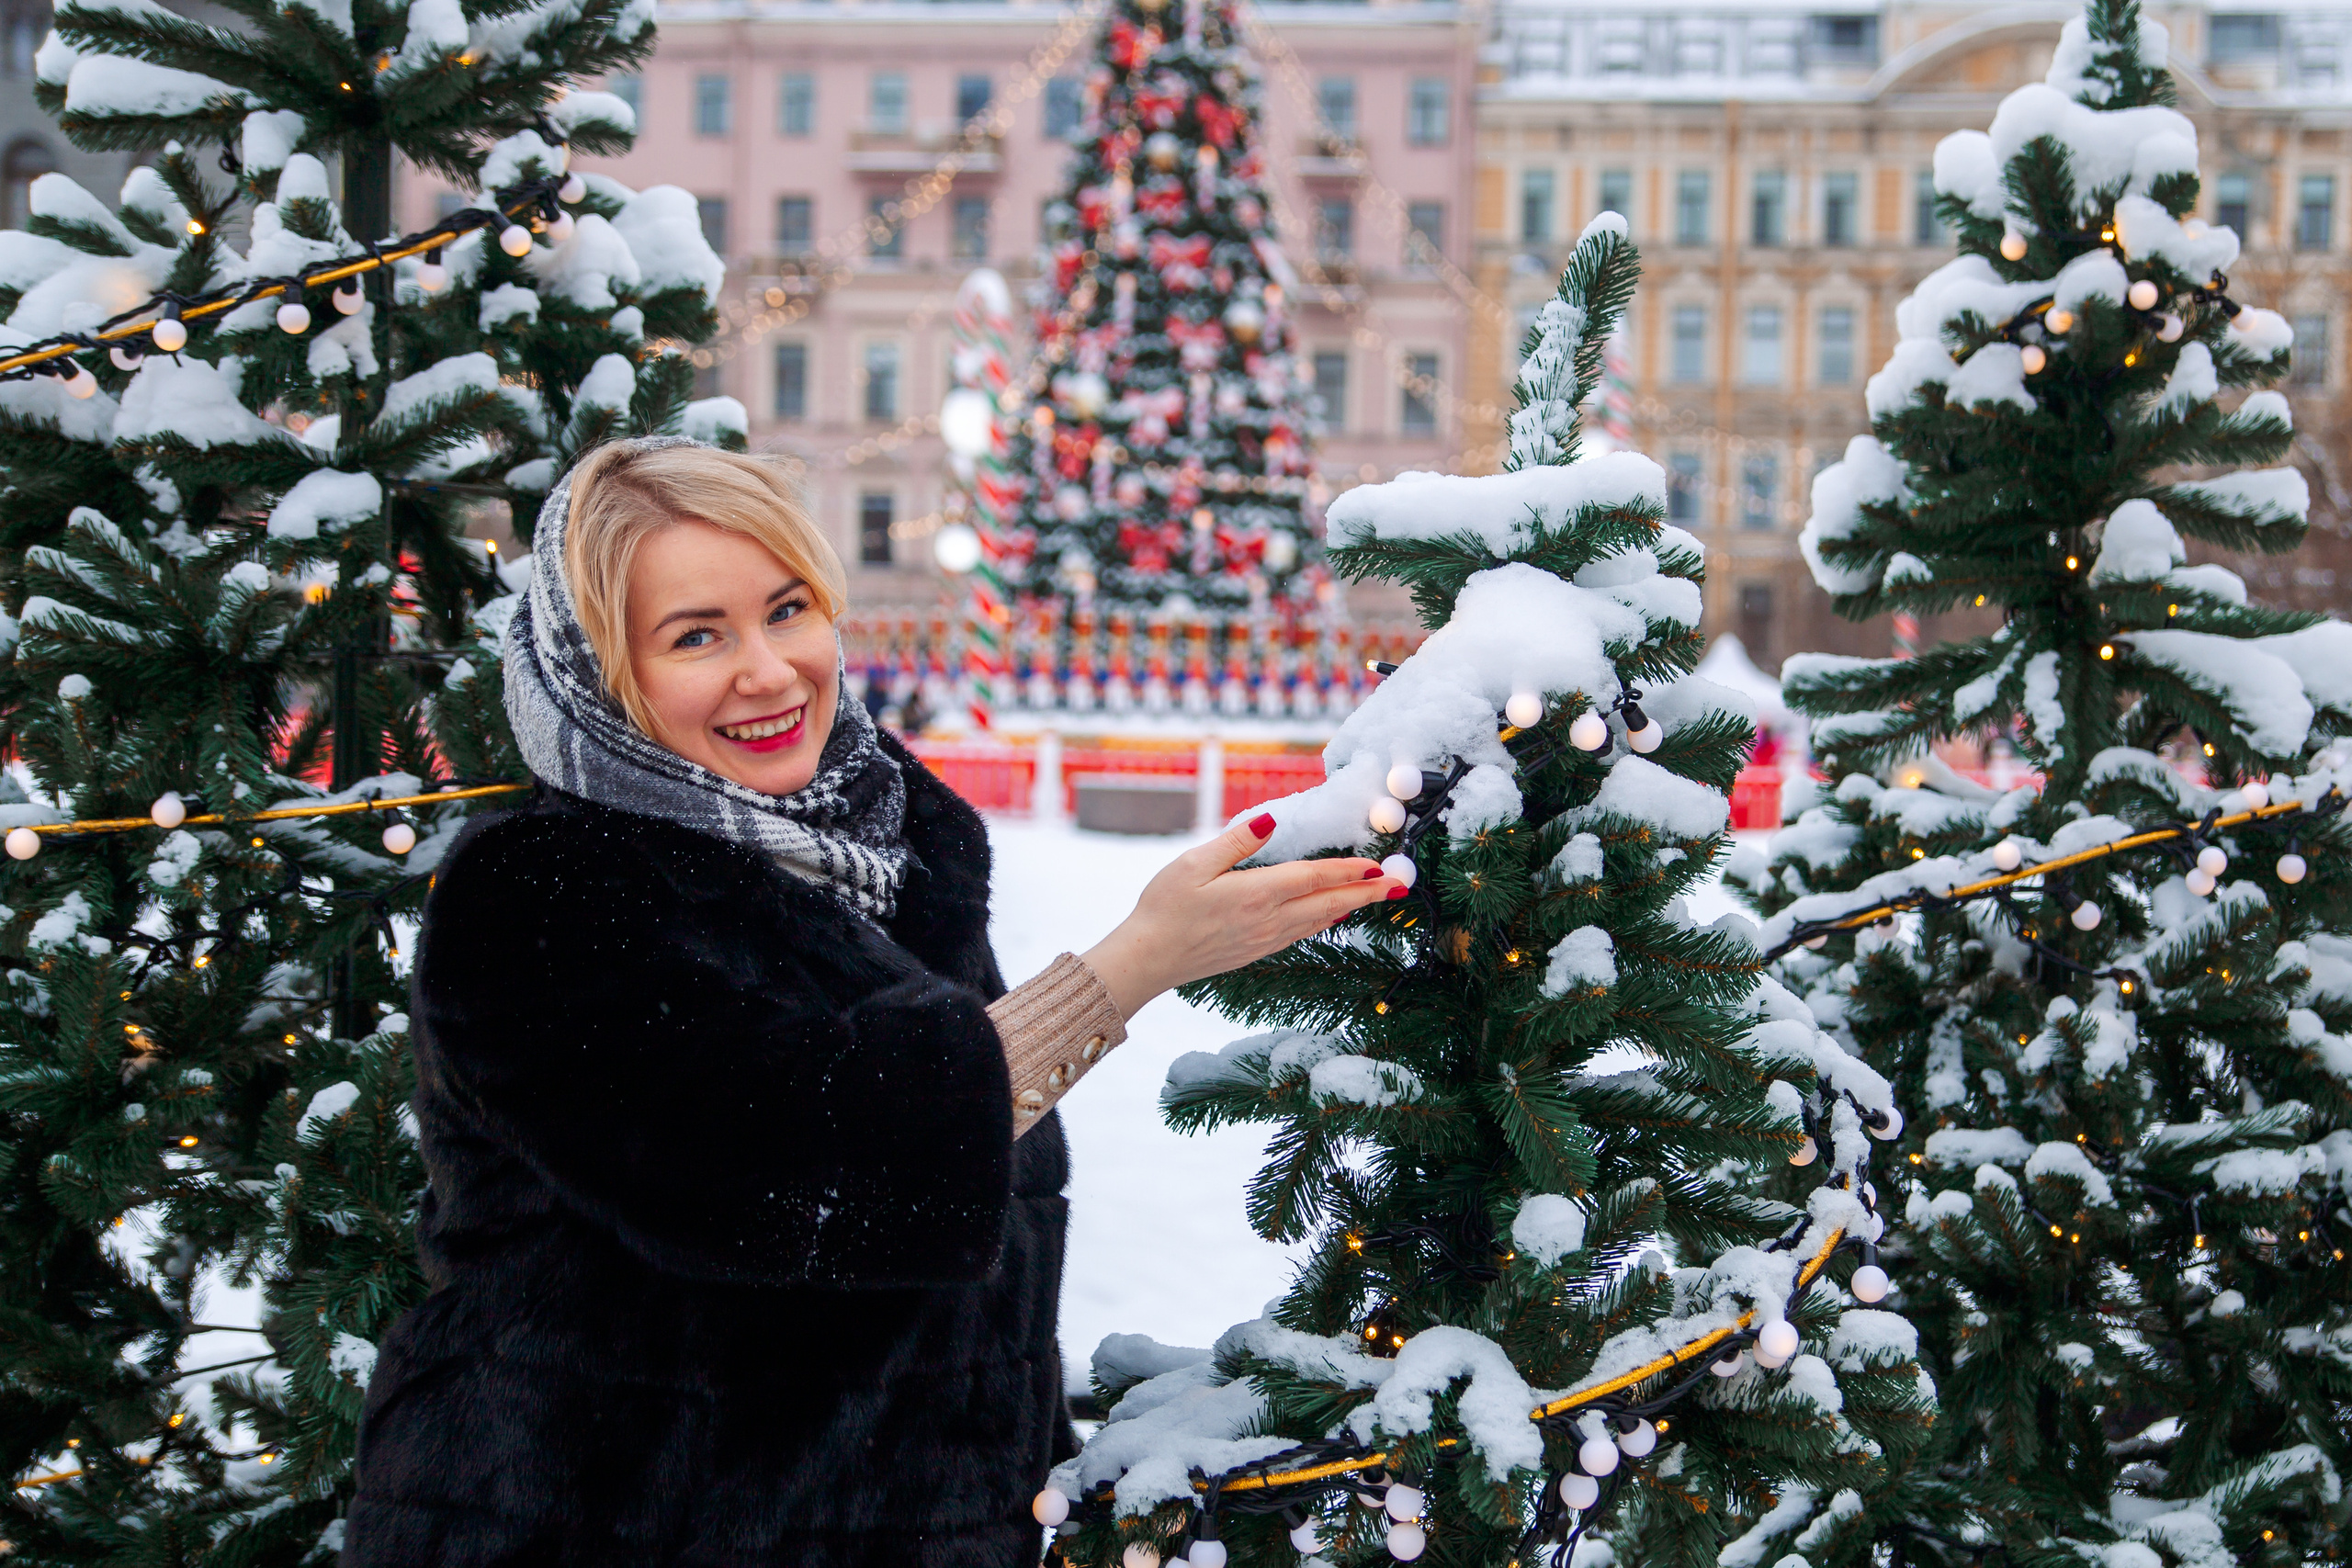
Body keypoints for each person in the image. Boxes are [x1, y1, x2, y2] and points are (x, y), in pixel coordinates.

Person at [340, 435, 1402, 1568]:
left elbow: (952, 1240)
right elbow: (798, 1172)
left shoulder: (888, 857)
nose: (769, 671)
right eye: (696, 635)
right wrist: (1133, 964)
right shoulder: (543, 897)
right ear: (602, 675)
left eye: (787, 609)